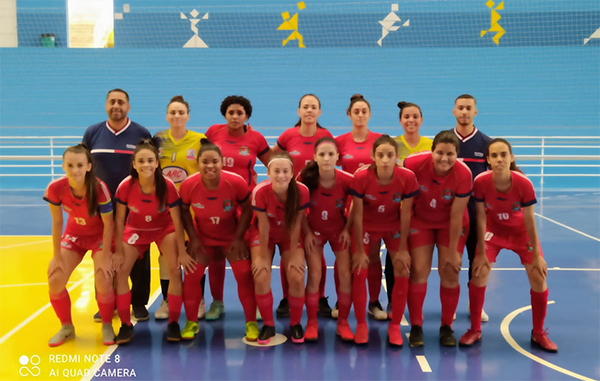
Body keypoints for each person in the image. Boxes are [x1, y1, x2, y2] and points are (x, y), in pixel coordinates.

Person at [459, 138, 557, 352]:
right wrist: (482, 252)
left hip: (521, 232)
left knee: (539, 276)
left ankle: (538, 333)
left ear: (511, 158)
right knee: (479, 272)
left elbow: (530, 220)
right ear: (488, 160)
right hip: (493, 232)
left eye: (504, 154)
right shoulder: (481, 182)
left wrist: (537, 254)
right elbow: (481, 218)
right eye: (494, 155)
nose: (499, 159)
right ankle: (475, 329)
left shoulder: (523, 183)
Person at [112, 139, 193, 343]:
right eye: (141, 161)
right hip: (136, 229)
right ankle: (125, 325)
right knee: (121, 273)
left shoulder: (166, 185)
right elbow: (120, 219)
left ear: (157, 163)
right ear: (134, 164)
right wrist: (118, 250)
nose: (146, 164)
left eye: (150, 160)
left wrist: (182, 251)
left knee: (174, 271)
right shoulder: (125, 186)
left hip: (164, 229)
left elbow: (177, 219)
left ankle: (173, 323)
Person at [82, 89, 152, 322]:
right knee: (104, 255)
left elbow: (149, 167)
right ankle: (106, 301)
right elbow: (83, 166)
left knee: (138, 256)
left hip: (134, 207)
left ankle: (139, 303)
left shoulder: (141, 133)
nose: (116, 105)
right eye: (112, 101)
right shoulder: (93, 132)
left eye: (121, 102)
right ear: (106, 105)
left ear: (128, 107)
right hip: (101, 208)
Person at [179, 140, 258, 341]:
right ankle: (191, 322)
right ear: (198, 163)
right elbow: (184, 212)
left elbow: (248, 209)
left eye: (214, 161)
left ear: (222, 163)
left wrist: (240, 238)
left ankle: (250, 322)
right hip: (203, 238)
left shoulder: (235, 182)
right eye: (205, 161)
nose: (210, 165)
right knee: (191, 275)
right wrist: (194, 239)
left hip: (231, 237)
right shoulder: (189, 185)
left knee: (243, 273)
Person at [204, 95, 271, 320]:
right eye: (231, 112)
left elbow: (274, 165)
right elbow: (202, 158)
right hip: (217, 203)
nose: (234, 116)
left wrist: (261, 190)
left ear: (247, 116)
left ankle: (259, 301)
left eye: (239, 113)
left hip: (245, 206)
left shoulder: (256, 139)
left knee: (247, 254)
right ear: (224, 114)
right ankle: (217, 302)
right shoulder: (213, 133)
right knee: (216, 255)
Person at [403, 131, 472, 347]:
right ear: (431, 151)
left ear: (457, 155)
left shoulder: (463, 174)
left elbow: (456, 215)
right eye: (440, 152)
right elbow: (405, 206)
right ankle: (416, 326)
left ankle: (446, 327)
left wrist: (452, 252)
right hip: (420, 221)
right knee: (418, 271)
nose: (444, 158)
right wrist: (402, 243)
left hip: (449, 223)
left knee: (450, 271)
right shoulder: (413, 164)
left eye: (450, 154)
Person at [349, 135, 419, 345]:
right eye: (381, 155)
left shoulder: (406, 177)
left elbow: (406, 214)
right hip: (368, 225)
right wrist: (360, 249)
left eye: (390, 155)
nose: (385, 160)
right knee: (361, 267)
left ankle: (395, 325)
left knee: (402, 268)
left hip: (393, 227)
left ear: (397, 157)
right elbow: (358, 215)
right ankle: (362, 323)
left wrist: (404, 248)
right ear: (373, 157)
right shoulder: (361, 177)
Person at [44, 144, 115, 347]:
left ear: (89, 167)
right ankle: (67, 327)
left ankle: (107, 325)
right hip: (74, 235)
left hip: (99, 236)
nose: (75, 170)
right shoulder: (55, 188)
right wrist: (56, 256)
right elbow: (57, 223)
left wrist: (107, 254)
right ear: (63, 166)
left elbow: (109, 223)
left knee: (103, 278)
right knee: (55, 279)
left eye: (80, 165)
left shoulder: (99, 188)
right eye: (70, 165)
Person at [270, 94, 334, 317]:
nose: (309, 110)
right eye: (305, 107)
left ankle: (321, 297)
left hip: (317, 202)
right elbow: (272, 161)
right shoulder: (288, 136)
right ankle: (288, 297)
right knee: (290, 251)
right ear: (298, 111)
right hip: (291, 203)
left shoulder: (326, 136)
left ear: (319, 112)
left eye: (313, 107)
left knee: (316, 250)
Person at [153, 95, 208, 321]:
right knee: (166, 257)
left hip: (192, 208)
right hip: (164, 208)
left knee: (195, 254)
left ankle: (200, 300)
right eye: (172, 112)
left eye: (181, 112)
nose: (176, 116)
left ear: (187, 116)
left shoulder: (200, 140)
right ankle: (166, 301)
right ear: (167, 116)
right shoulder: (157, 139)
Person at [250, 152, 311, 345]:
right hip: (264, 235)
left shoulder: (301, 191)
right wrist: (261, 257)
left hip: (289, 235)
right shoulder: (260, 192)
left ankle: (295, 323)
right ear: (268, 173)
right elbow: (263, 226)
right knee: (261, 275)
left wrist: (292, 256)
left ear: (292, 173)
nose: (281, 175)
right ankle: (268, 324)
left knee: (296, 275)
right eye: (276, 171)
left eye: (285, 171)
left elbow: (296, 225)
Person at [299, 137, 354, 341]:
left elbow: (356, 204)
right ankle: (312, 323)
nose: (326, 158)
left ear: (338, 157)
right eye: (321, 154)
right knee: (314, 275)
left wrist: (348, 229)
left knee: (346, 275)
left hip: (338, 231)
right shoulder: (305, 177)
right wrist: (306, 233)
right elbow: (299, 208)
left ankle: (344, 323)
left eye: (331, 154)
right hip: (315, 232)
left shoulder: (347, 179)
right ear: (314, 157)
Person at [384, 101, 433, 319]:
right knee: (395, 258)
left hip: (423, 211)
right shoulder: (393, 144)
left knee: (422, 262)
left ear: (421, 120)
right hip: (397, 211)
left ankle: (415, 304)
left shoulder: (431, 145)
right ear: (400, 121)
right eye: (407, 117)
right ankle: (393, 303)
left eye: (415, 116)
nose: (411, 120)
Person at [334, 95, 382, 319]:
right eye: (356, 111)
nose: (360, 115)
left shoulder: (380, 140)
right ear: (349, 114)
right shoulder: (340, 141)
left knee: (372, 255)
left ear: (370, 114)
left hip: (372, 208)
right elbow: (329, 171)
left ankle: (373, 302)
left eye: (364, 111)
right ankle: (340, 299)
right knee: (343, 256)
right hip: (345, 208)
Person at [451, 94, 492, 322]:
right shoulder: (446, 141)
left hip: (478, 216)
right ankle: (452, 304)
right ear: (454, 111)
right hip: (453, 216)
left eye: (468, 108)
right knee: (452, 262)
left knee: (476, 262)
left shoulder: (486, 143)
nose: (464, 112)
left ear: (475, 112)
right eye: (460, 108)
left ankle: (475, 304)